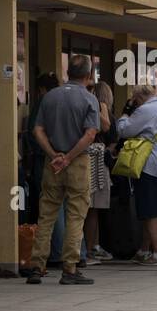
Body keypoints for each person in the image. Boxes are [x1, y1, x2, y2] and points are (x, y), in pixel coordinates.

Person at [22, 55, 101, 285]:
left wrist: (53, 154)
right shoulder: (89, 99)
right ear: (88, 76)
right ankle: (70, 268)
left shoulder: (49, 97)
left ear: (68, 74)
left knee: (46, 214)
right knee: (76, 215)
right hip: (76, 161)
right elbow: (90, 134)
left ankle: (37, 266)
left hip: (52, 162)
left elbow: (37, 130)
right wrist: (68, 158)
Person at [116, 84, 157, 266]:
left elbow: (124, 130)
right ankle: (144, 250)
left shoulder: (145, 110)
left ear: (138, 98)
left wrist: (125, 113)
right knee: (155, 211)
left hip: (150, 166)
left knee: (150, 212)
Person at [82, 81, 116, 265]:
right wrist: (101, 106)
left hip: (95, 159)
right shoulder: (95, 106)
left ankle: (92, 247)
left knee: (94, 209)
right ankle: (86, 250)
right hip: (93, 160)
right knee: (90, 208)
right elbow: (106, 126)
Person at [25, 73, 60, 223]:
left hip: (44, 158)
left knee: (46, 200)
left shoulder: (42, 101)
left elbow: (32, 130)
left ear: (41, 89)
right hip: (65, 157)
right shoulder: (62, 100)